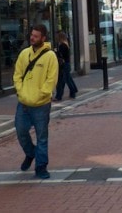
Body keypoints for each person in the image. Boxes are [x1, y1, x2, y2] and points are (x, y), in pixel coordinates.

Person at [14, 24, 59, 179]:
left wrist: (42, 94)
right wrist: (20, 91)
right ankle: (31, 153)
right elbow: (17, 75)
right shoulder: (24, 54)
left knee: (42, 136)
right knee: (20, 131)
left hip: (41, 105)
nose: (32, 38)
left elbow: (51, 79)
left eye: (36, 36)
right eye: (31, 35)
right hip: (24, 103)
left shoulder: (50, 56)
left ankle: (41, 167)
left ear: (43, 38)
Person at [54, 31, 78, 101]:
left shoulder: (62, 45)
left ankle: (60, 96)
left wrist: (56, 52)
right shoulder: (65, 44)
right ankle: (72, 92)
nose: (56, 37)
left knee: (62, 80)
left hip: (63, 65)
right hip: (66, 64)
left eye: (57, 36)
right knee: (67, 79)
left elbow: (61, 55)